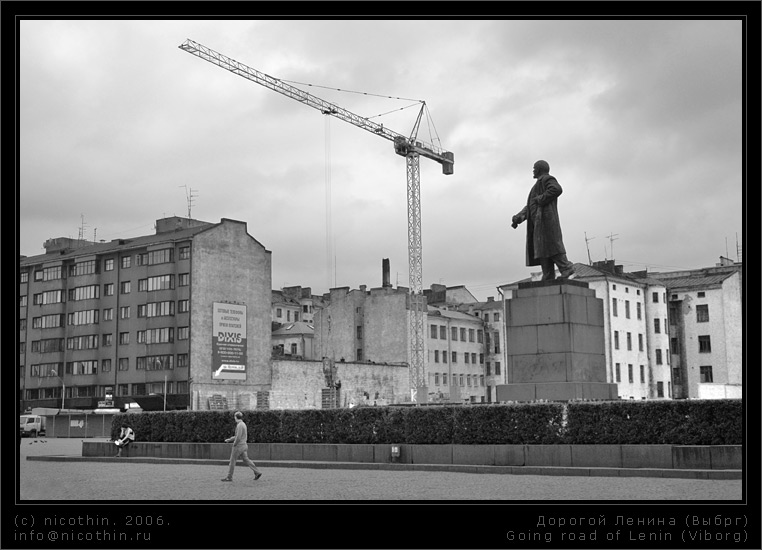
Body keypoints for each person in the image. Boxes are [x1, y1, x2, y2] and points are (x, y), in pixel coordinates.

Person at [512, 160, 576, 281]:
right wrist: (519, 217)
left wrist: (541, 198)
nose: (533, 170)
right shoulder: (536, 186)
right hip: (537, 224)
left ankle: (566, 268)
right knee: (542, 250)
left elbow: (556, 189)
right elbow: (530, 206)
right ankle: (548, 275)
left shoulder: (547, 179)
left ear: (540, 169)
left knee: (553, 246)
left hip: (546, 221)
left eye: (534, 168)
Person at [221, 411, 263, 482]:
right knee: (246, 460)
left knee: (232, 461)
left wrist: (234, 443)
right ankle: (257, 472)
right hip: (244, 445)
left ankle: (229, 477)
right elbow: (239, 436)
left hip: (238, 446)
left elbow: (238, 437)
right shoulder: (243, 424)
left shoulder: (239, 425)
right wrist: (230, 439)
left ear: (235, 417)